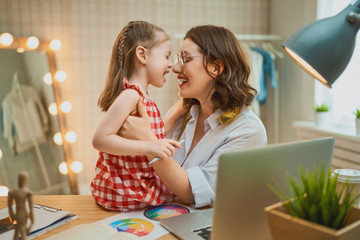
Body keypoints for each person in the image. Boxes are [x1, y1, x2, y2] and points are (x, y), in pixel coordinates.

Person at [119, 24, 268, 208]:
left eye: (186, 59)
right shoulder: (183, 113)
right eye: (177, 58)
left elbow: (191, 192)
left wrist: (147, 140)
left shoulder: (248, 131)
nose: (175, 68)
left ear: (215, 67)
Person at [90, 21, 181, 212]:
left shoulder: (140, 97)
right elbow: (100, 139)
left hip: (134, 186)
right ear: (142, 55)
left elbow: (148, 131)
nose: (171, 64)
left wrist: (178, 112)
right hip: (128, 192)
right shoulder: (131, 95)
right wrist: (150, 146)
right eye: (166, 56)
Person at [8, 171, 34, 240]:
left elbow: (10, 207)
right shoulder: (27, 192)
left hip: (17, 215)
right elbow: (31, 209)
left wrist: (13, 218)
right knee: (22, 235)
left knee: (16, 235)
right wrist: (31, 223)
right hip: (23, 216)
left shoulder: (13, 192)